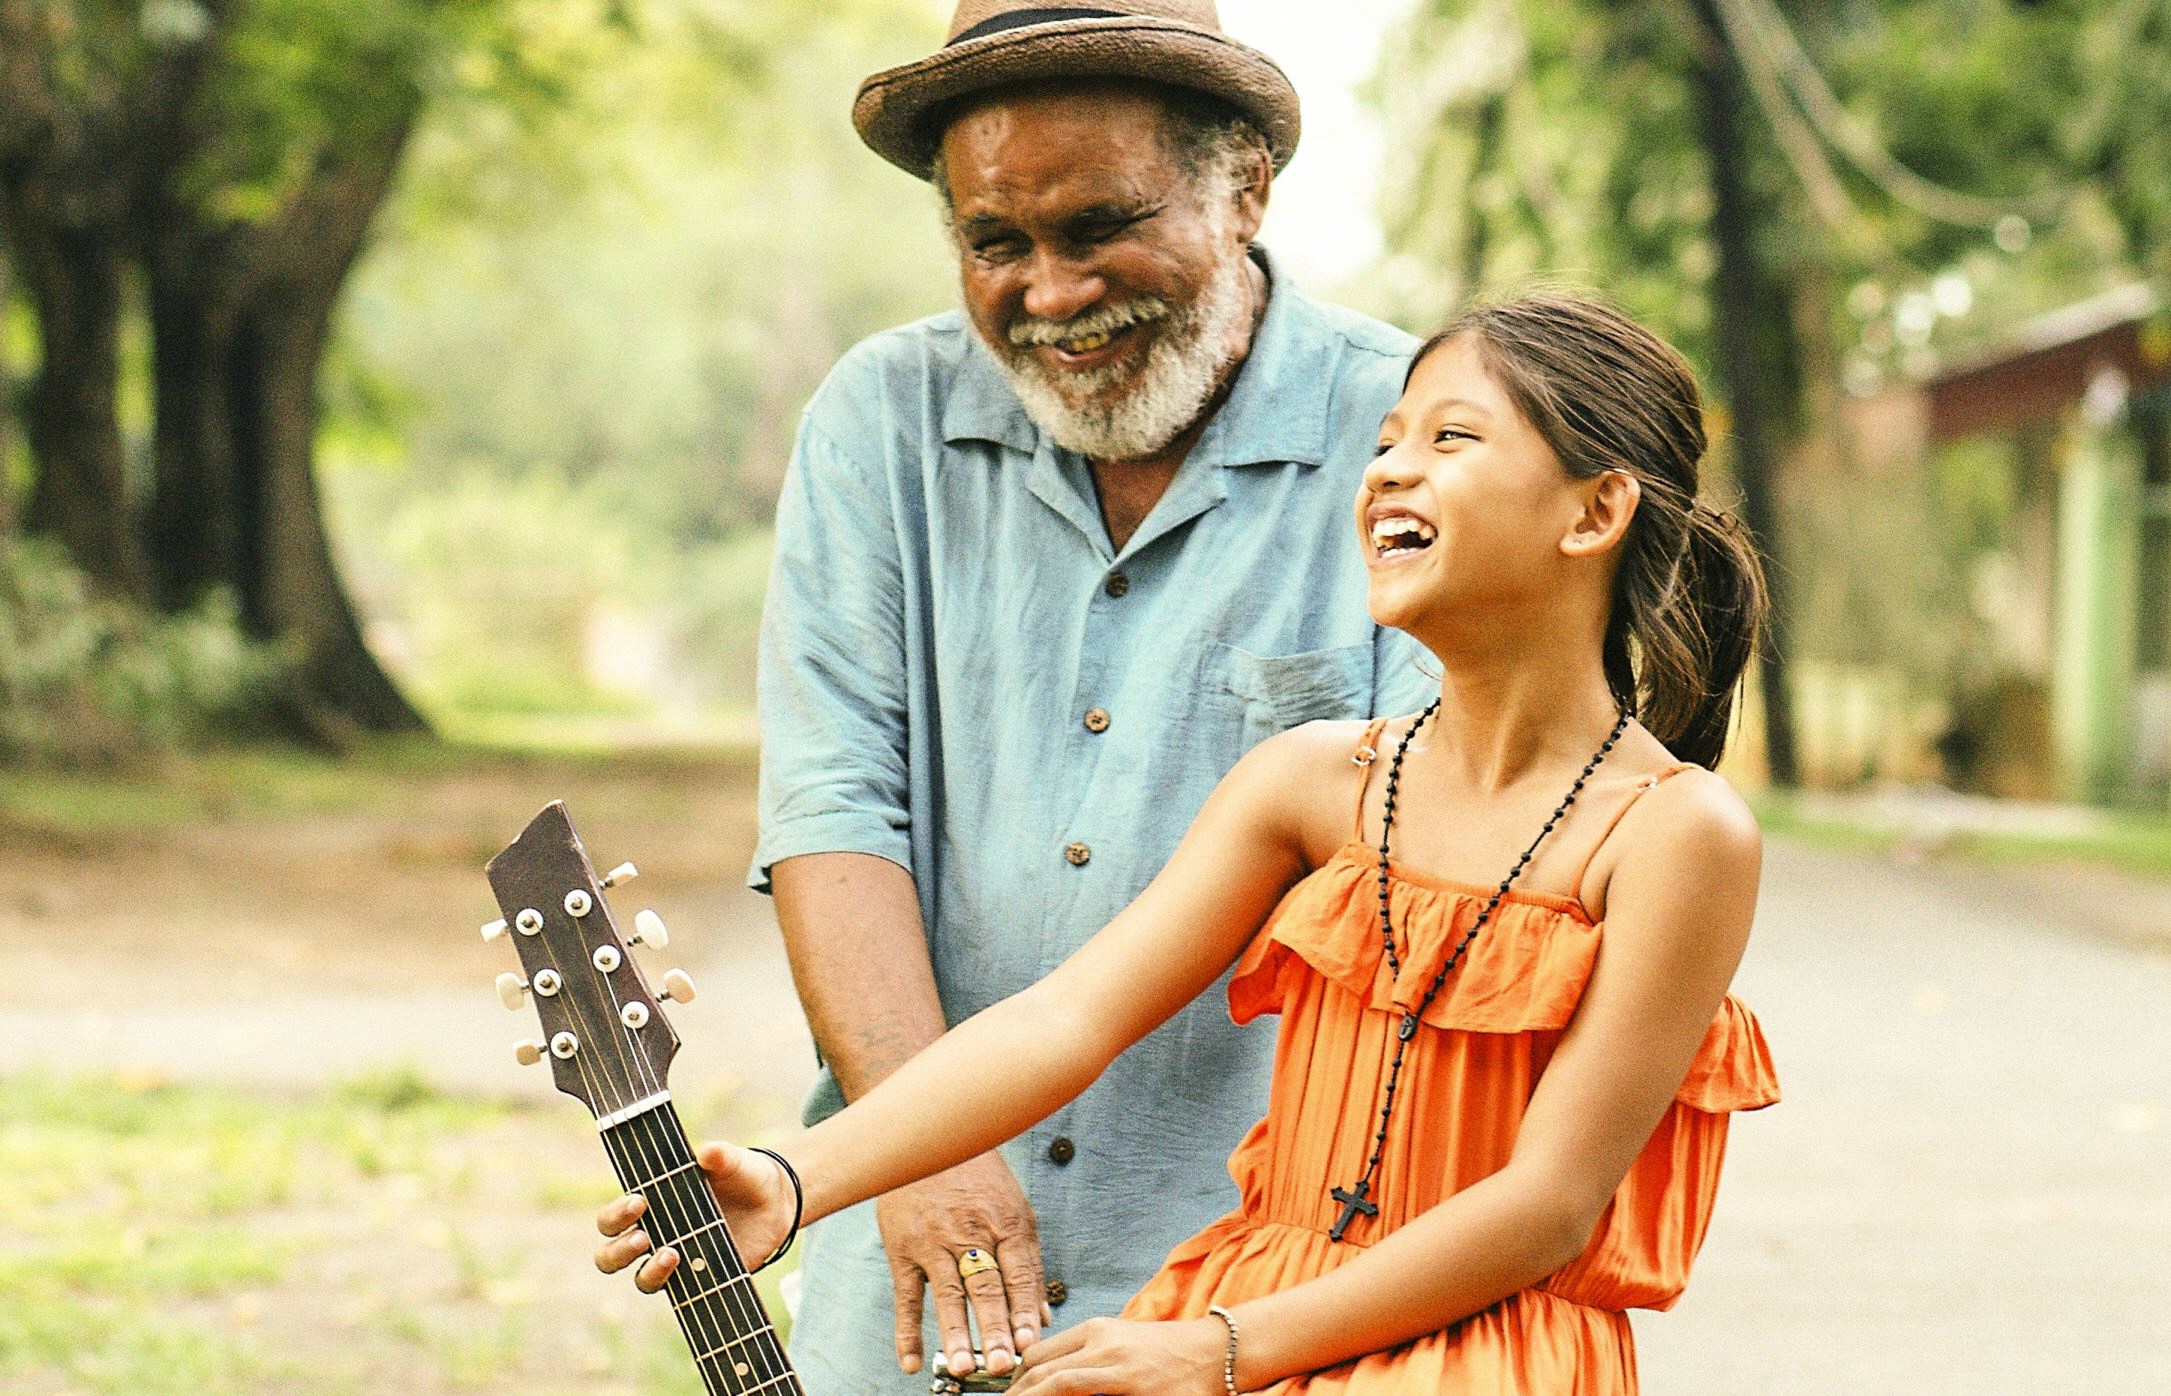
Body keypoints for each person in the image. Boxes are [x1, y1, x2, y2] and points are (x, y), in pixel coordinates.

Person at [602, 293, 1782, 1393]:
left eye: (1450, 439)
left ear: (1595, 509)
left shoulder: (1671, 835)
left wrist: (1215, 1353)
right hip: (1243, 1316)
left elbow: (1548, 1205)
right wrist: (800, 1177)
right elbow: (1063, 1019)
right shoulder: (1313, 780)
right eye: (1383, 440)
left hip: (1462, 1353)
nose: (1387, 473)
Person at [746, 2, 1432, 1389]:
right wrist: (921, 1146)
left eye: (1098, 227)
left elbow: (1445, 889)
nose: (1049, 292)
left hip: (1264, 1286)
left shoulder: (1410, 436)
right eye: (994, 243)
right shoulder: (875, 424)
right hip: (909, 1270)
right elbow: (833, 813)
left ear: (1243, 189)